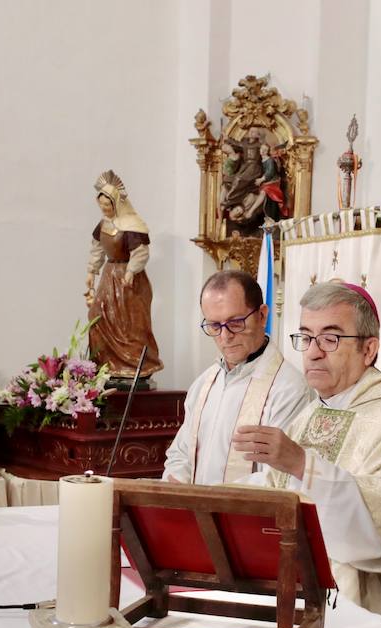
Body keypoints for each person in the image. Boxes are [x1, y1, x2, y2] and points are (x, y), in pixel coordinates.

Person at [232, 281, 381, 628]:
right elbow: (276, 490)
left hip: (369, 610)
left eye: (330, 339)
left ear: (369, 349)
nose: (314, 353)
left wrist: (302, 464)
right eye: (306, 337)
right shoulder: (314, 410)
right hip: (303, 596)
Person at [163, 270, 312, 485]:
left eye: (235, 323)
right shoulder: (203, 384)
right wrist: (177, 483)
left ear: (262, 315)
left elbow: (280, 476)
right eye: (214, 326)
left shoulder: (289, 389)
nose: (225, 337)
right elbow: (180, 455)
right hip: (196, 513)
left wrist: (211, 502)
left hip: (251, 516)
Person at [85, 170, 163, 383]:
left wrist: (131, 271)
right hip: (109, 276)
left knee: (130, 324)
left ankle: (135, 364)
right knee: (98, 315)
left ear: (116, 203)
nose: (104, 209)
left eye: (108, 205)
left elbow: (140, 252)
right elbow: (97, 250)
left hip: (130, 279)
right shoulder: (103, 224)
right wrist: (92, 272)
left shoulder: (132, 224)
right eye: (101, 205)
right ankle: (106, 364)